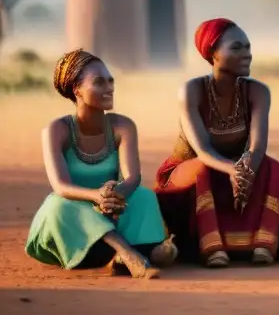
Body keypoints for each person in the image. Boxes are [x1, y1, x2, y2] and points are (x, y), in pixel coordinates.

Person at [25, 49, 172, 279]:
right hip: (73, 223)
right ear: (77, 90)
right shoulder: (57, 130)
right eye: (99, 82)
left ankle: (123, 255)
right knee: (58, 204)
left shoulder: (123, 126)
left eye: (111, 81)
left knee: (144, 196)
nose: (109, 87)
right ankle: (130, 253)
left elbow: (132, 177)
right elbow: (61, 186)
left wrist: (114, 196)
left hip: (112, 208)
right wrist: (96, 197)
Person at [154, 18, 279, 267]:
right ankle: (212, 248)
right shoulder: (192, 91)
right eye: (236, 48)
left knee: (272, 167)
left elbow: (257, 146)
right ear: (212, 54)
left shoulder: (258, 92)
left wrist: (245, 171)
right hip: (189, 173)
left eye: (248, 47)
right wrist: (233, 171)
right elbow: (202, 150)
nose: (247, 54)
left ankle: (262, 244)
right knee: (204, 169)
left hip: (234, 169)